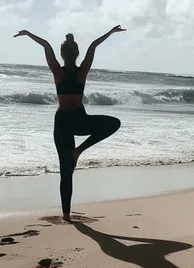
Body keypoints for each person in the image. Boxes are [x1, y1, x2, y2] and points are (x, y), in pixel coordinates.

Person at [14, 26, 125, 222]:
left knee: (65, 172)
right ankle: (79, 150)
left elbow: (46, 46)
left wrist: (29, 34)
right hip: (80, 120)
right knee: (113, 123)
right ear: (77, 54)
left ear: (62, 54)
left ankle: (66, 215)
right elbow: (93, 46)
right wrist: (110, 32)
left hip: (63, 122)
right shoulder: (82, 72)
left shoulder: (58, 72)